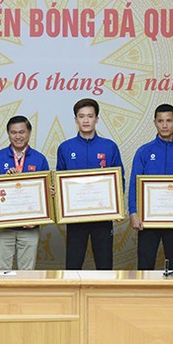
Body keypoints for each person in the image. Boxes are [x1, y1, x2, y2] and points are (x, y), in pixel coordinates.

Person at [56, 98, 124, 270]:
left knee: (104, 264)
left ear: (97, 119)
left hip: (103, 216)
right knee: (73, 263)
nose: (86, 120)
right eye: (81, 116)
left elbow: (119, 180)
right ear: (76, 120)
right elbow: (60, 179)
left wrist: (117, 206)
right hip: (75, 216)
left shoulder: (109, 146)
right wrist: (56, 191)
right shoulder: (65, 148)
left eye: (90, 116)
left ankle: (104, 298)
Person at [129, 103, 173, 270]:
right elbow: (133, 184)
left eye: (168, 121)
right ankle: (143, 296)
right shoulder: (143, 151)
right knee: (145, 264)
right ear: (155, 123)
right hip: (147, 220)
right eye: (160, 121)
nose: (164, 125)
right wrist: (133, 212)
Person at [0, 116, 50, 270]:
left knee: (27, 273)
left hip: (29, 227)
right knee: (2, 270)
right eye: (13, 132)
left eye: (22, 132)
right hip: (3, 227)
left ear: (29, 133)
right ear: (8, 134)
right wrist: (4, 181)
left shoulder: (39, 159)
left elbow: (45, 192)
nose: (18, 136)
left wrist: (38, 219)